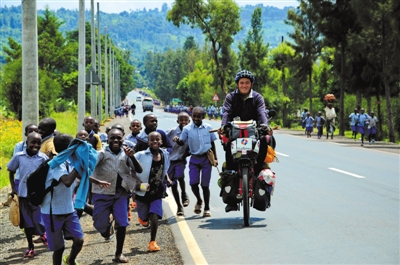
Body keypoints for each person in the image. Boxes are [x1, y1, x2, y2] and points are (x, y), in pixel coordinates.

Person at [41, 134, 110, 265]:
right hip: (52, 212)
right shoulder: (56, 164)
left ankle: (70, 260)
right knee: (59, 248)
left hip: (68, 209)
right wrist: (80, 164)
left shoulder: (70, 161)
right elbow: (67, 181)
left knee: (79, 240)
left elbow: (80, 174)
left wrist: (96, 181)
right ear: (71, 148)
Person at [91, 128, 143, 263]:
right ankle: (106, 230)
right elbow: (88, 169)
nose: (115, 140)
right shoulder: (101, 153)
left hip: (121, 193)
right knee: (100, 225)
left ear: (123, 138)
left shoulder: (127, 153)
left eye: (118, 138)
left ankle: (119, 253)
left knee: (122, 223)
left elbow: (139, 169)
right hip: (102, 193)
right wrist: (96, 182)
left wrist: (132, 157)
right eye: (112, 138)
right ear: (107, 139)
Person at [7, 132, 48, 258]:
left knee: (38, 221)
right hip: (23, 195)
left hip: (37, 197)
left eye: (38, 143)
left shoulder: (43, 158)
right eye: (33, 142)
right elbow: (11, 171)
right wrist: (14, 188)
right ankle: (31, 247)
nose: (35, 145)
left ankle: (43, 234)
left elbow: (47, 175)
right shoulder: (19, 156)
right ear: (27, 143)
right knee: (27, 224)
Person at [174, 107, 218, 217]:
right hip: (194, 158)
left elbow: (213, 143)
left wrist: (215, 158)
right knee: (193, 184)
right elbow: (182, 142)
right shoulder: (187, 129)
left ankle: (207, 208)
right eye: (194, 116)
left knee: (205, 185)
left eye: (199, 116)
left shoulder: (208, 127)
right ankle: (199, 200)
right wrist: (177, 140)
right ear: (191, 116)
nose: (196, 118)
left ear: (203, 117)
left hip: (206, 158)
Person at [134, 131, 172, 252]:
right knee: (145, 217)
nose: (155, 142)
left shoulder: (165, 154)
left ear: (161, 141)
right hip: (142, 191)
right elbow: (130, 170)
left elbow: (163, 169)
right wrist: (139, 184)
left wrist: (168, 179)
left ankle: (152, 242)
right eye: (152, 140)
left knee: (154, 215)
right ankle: (142, 218)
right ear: (148, 142)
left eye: (157, 139)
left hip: (157, 191)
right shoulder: (140, 155)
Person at [166, 112, 191, 216]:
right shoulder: (172, 131)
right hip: (170, 160)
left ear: (189, 121)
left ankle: (184, 194)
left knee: (180, 176)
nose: (184, 122)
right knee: (173, 184)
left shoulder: (190, 132)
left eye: (186, 120)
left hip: (180, 160)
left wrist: (186, 153)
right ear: (178, 121)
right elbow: (162, 138)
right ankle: (179, 206)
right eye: (181, 120)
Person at [12, 124, 38, 194]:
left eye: (36, 131)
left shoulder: (39, 146)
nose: (33, 133)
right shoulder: (20, 146)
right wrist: (13, 187)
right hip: (20, 178)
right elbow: (15, 163)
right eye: (30, 131)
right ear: (26, 134)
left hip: (35, 180)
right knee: (21, 199)